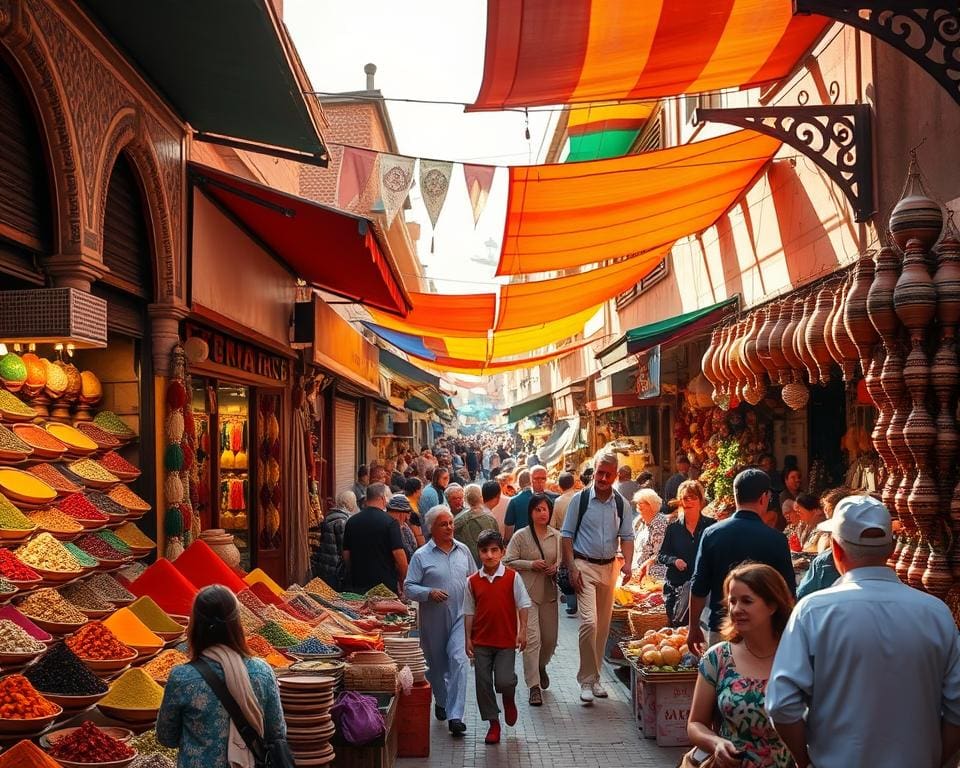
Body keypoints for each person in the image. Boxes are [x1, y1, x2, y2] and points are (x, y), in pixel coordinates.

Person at [766, 495, 960, 768]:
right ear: (891, 549)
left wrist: (803, 757)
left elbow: (781, 705)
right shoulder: (936, 613)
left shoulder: (813, 612)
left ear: (835, 549)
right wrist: (936, 758)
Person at [157, 585, 285, 767]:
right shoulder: (262, 672)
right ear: (237, 625)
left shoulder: (182, 677)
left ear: (195, 625)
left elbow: (166, 737)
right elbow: (277, 732)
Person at [687, 564, 795, 768]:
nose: (736, 610)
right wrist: (716, 743)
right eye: (732, 601)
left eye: (747, 601)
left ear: (772, 605)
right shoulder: (718, 658)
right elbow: (695, 724)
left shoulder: (799, 657)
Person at [688, 469, 796, 655]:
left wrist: (693, 627)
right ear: (764, 498)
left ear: (735, 495)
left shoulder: (712, 534)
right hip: (765, 634)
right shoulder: (776, 540)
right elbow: (788, 594)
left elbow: (698, 586)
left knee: (722, 682)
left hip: (721, 629)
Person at [561, 451, 634, 704]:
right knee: (589, 624)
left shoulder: (622, 503)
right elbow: (566, 536)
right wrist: (571, 568)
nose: (602, 478)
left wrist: (628, 564)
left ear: (615, 476)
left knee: (602, 628)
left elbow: (627, 537)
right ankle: (585, 680)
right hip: (584, 566)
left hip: (609, 568)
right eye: (599, 472)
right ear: (594, 471)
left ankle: (597, 679)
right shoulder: (579, 500)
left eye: (608, 474)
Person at [404, 506, 475, 737]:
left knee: (459, 660)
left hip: (460, 617)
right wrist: (428, 593)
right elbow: (409, 587)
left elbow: (474, 581)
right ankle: (442, 701)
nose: (449, 527)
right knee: (436, 667)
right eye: (443, 524)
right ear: (431, 528)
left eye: (451, 523)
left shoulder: (463, 550)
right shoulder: (421, 556)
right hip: (433, 619)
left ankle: (456, 716)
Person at [464, 530, 531, 745]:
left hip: (505, 641)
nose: (489, 555)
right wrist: (468, 638)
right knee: (482, 684)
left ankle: (509, 697)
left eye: (494, 550)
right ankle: (493, 723)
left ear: (502, 552)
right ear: (479, 552)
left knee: (503, 680)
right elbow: (468, 611)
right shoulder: (472, 581)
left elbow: (523, 604)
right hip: (481, 640)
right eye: (484, 551)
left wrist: (522, 631)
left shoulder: (512, 577)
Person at [504, 493, 561, 707]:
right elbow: (507, 561)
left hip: (549, 594)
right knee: (532, 641)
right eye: (537, 509)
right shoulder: (521, 536)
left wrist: (556, 568)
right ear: (531, 513)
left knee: (550, 640)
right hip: (526, 596)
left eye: (545, 509)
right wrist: (531, 564)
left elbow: (563, 562)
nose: (542, 513)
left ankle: (540, 665)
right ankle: (533, 687)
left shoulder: (556, 536)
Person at [657, 480, 713, 627]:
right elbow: (662, 555)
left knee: (703, 632)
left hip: (704, 591)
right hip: (678, 589)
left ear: (701, 500)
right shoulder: (673, 528)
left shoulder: (712, 526)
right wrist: (674, 560)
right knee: (678, 635)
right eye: (684, 498)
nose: (688, 502)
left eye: (693, 497)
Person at [342, 483, 408, 595]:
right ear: (383, 498)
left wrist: (352, 571)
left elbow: (346, 555)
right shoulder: (390, 523)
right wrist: (402, 580)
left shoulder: (352, 521)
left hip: (358, 584)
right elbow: (400, 556)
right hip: (385, 587)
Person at [311, 490, 356, 590]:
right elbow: (344, 548)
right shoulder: (343, 522)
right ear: (351, 504)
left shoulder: (328, 517)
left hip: (323, 565)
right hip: (335, 568)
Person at [454, 483, 500, 566]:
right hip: (488, 562)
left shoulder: (457, 520)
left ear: (465, 499)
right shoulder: (490, 519)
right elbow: (498, 542)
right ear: (481, 497)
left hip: (466, 563)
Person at [505, 466, 556, 538]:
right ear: (530, 479)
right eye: (536, 478)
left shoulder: (554, 499)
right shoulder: (515, 501)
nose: (540, 482)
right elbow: (508, 529)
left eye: (543, 479)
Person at [632, 487, 669, 581]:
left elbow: (659, 554)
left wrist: (643, 568)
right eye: (638, 502)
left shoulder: (659, 523)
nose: (638, 505)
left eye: (642, 503)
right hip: (637, 567)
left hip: (653, 571)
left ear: (651, 505)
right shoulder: (639, 521)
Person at [387, 493, 418, 561]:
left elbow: (413, 548)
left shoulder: (404, 526)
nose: (408, 517)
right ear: (401, 514)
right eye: (408, 513)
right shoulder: (391, 528)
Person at [403, 477, 426, 547]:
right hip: (414, 542)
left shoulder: (417, 502)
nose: (422, 491)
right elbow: (416, 531)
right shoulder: (407, 506)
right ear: (417, 490)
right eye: (421, 488)